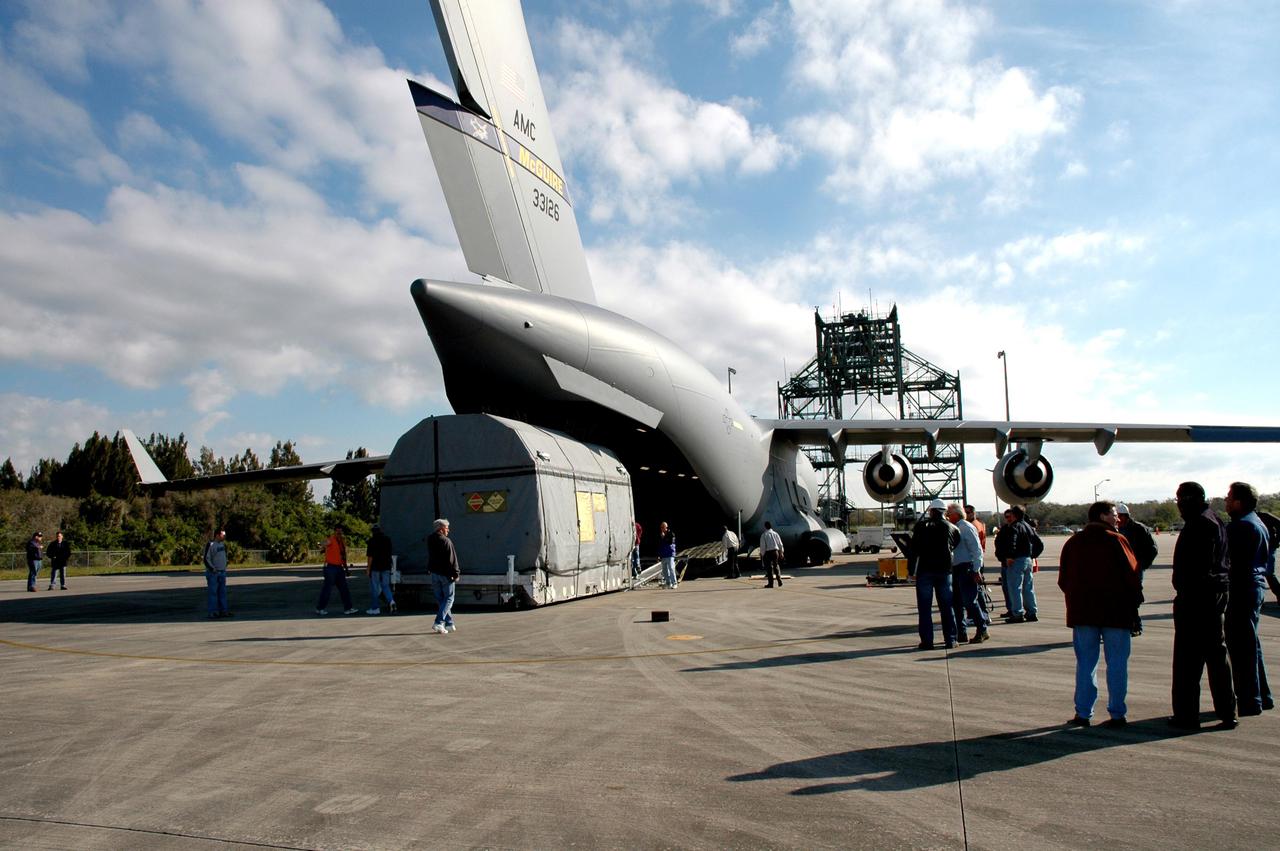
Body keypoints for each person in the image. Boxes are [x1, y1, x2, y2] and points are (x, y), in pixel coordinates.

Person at [1058, 501, 1140, 728]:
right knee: (1117, 663)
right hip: (1116, 613)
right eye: (1114, 515)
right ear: (1103, 516)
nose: (1117, 519)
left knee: (1085, 663)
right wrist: (1134, 607)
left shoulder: (1074, 543)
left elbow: (1063, 579)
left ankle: (1083, 713)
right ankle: (1117, 713)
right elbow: (1133, 576)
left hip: (1083, 613)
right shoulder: (1117, 540)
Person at [1169, 481, 1236, 730]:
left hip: (1197, 598)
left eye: (1179, 501)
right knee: (1217, 656)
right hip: (1216, 595)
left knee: (1188, 660)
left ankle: (1187, 715)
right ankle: (1227, 711)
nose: (1178, 507)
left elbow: (1196, 567)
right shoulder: (1215, 520)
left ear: (1187, 500)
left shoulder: (1199, 525)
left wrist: (1185, 590)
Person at [1223, 482, 1273, 716]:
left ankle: (1249, 700)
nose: (1225, 501)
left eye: (1229, 497)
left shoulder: (1240, 527)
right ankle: (1262, 696)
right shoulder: (1257, 522)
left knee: (1241, 648)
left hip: (1242, 590)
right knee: (1251, 645)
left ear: (1239, 502)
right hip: (1254, 588)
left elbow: (1229, 562)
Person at [910, 499, 960, 649]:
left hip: (925, 570)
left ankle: (927, 641)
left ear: (931, 511)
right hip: (944, 571)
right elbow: (956, 543)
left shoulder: (920, 527)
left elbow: (913, 550)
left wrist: (911, 571)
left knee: (924, 608)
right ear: (944, 512)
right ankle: (951, 639)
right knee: (946, 606)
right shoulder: (952, 527)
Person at [946, 503, 990, 644]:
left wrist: (976, 569)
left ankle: (982, 629)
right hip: (957, 568)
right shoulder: (955, 527)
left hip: (967, 567)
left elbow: (977, 550)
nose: (947, 515)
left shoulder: (966, 527)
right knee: (957, 603)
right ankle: (961, 632)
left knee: (969, 601)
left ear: (956, 514)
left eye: (950, 513)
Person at [1116, 503, 1158, 635]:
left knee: (1133, 597)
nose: (1118, 519)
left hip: (1134, 569)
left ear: (1125, 516)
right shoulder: (1115, 529)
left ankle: (1136, 625)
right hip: (1119, 569)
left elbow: (1152, 549)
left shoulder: (1138, 528)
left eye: (1119, 516)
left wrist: (1142, 565)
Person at [994, 505, 1040, 623]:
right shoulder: (1028, 526)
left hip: (1016, 560)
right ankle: (1031, 612)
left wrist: (1010, 556)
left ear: (1014, 515)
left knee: (1015, 588)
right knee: (1028, 587)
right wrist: (1032, 555)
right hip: (1027, 559)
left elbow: (1012, 541)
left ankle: (1017, 613)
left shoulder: (1015, 527)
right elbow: (1039, 544)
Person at [427, 518, 460, 633]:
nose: (448, 530)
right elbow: (452, 559)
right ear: (441, 529)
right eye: (446, 528)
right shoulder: (446, 541)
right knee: (449, 598)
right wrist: (456, 573)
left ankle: (449, 623)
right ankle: (439, 622)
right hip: (446, 575)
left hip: (434, 574)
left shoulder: (430, 539)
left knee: (441, 599)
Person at [316, 524, 357, 615]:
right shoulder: (331, 539)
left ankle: (348, 608)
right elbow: (324, 543)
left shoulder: (342, 542)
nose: (339, 533)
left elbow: (343, 557)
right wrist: (320, 544)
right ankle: (320, 608)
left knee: (344, 588)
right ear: (334, 531)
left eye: (340, 531)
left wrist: (346, 569)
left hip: (339, 568)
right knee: (327, 589)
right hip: (330, 567)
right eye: (337, 531)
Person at [366, 524, 396, 615]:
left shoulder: (371, 541)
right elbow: (390, 552)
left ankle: (375, 608)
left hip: (375, 567)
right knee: (385, 586)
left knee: (375, 587)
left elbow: (370, 556)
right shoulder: (387, 539)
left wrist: (368, 568)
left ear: (372, 531)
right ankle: (391, 601)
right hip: (386, 566)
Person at [202, 529, 232, 619]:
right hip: (213, 573)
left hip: (222, 572)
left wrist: (225, 564)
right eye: (223, 535)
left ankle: (223, 611)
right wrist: (212, 568)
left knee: (222, 593)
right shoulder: (210, 544)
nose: (224, 536)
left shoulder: (223, 544)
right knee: (213, 593)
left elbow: (225, 556)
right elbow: (206, 558)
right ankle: (213, 612)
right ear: (217, 535)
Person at [759, 521, 784, 588]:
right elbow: (780, 544)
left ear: (765, 527)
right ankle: (779, 579)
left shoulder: (764, 535)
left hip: (768, 553)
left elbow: (763, 546)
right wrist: (781, 552)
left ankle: (771, 584)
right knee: (776, 566)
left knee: (769, 568)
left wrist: (762, 554)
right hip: (775, 552)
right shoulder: (775, 534)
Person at [658, 522, 678, 589]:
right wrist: (659, 555)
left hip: (669, 554)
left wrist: (664, 537)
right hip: (663, 555)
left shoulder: (671, 533)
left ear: (666, 527)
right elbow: (660, 545)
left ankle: (674, 583)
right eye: (661, 527)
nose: (662, 528)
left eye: (663, 527)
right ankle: (668, 583)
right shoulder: (661, 535)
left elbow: (670, 542)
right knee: (664, 570)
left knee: (671, 569)